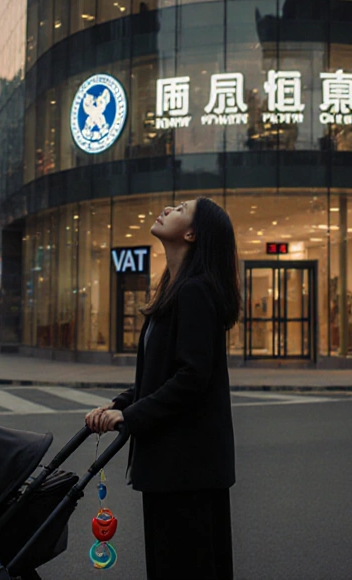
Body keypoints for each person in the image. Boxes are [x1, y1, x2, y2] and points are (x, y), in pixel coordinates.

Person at [85, 198, 239, 580]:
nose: (168, 208)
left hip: (187, 472)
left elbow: (192, 378)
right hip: (174, 468)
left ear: (191, 234)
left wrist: (130, 416)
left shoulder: (195, 292)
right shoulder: (175, 288)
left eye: (181, 209)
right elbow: (160, 374)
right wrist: (119, 404)